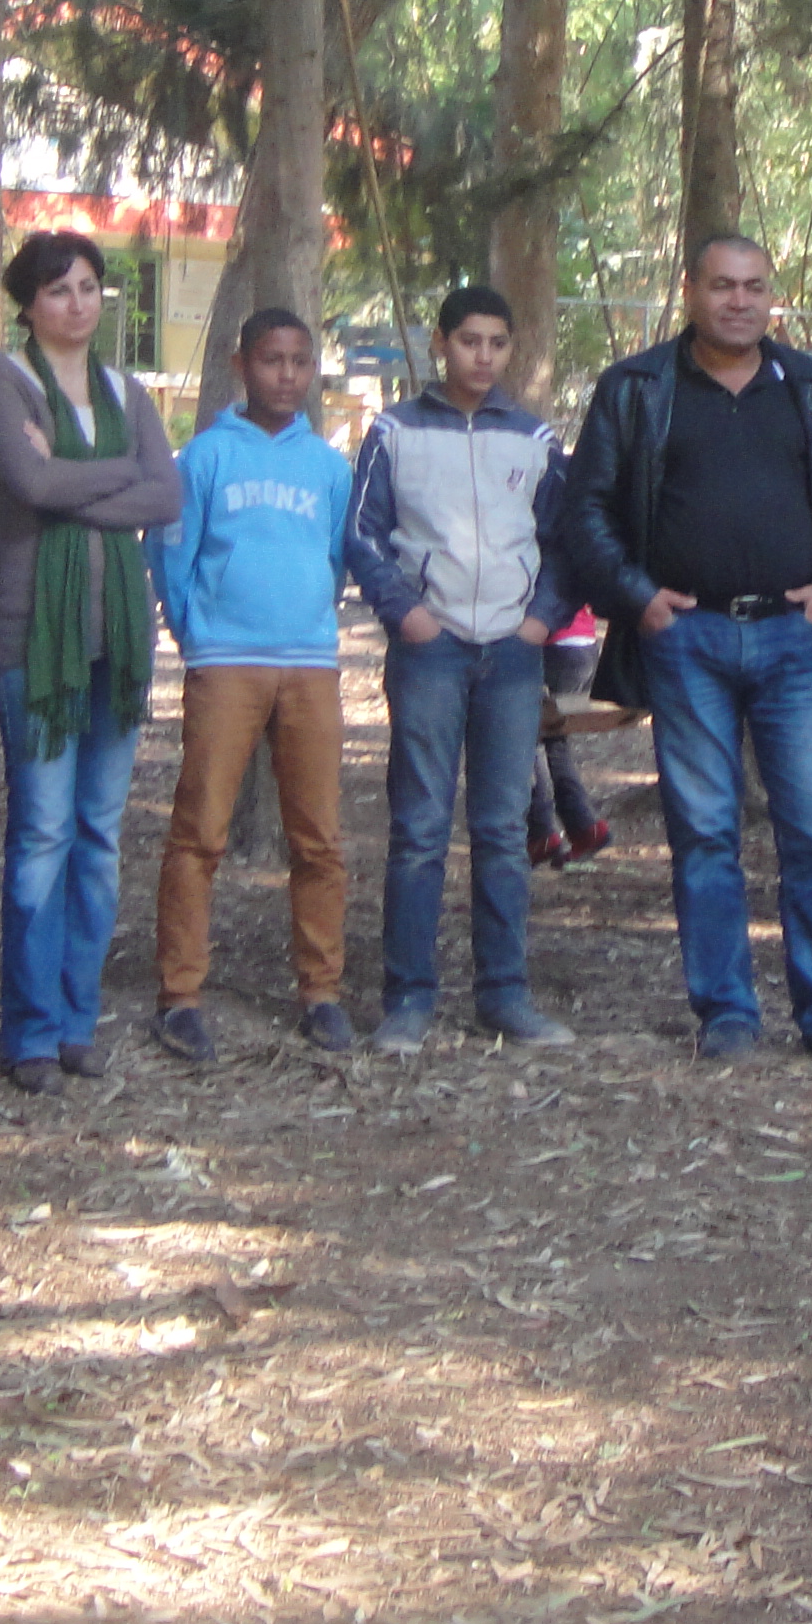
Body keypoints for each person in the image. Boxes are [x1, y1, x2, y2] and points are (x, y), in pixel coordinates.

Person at [556, 234, 812, 1064]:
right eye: (722, 286)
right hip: (686, 641)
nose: (739, 301)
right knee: (703, 832)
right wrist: (638, 600)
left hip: (795, 639)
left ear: (772, 296)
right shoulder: (635, 389)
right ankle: (728, 1015)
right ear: (690, 291)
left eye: (754, 287)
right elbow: (585, 511)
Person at [0, 230, 186, 1089]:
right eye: (59, 290)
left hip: (119, 641)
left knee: (98, 836)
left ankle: (75, 1020)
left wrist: (73, 472)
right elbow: (30, 487)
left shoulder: (123, 388)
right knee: (42, 834)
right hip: (39, 638)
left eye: (91, 287)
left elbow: (167, 492)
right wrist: (111, 475)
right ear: (28, 302)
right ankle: (27, 1031)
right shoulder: (3, 380)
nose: (78, 303)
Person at [344, 283, 575, 1055]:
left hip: (511, 651)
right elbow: (362, 534)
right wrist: (402, 611)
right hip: (430, 649)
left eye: (497, 343)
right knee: (417, 829)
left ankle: (504, 995)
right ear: (442, 343)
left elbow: (566, 541)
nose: (483, 356)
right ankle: (408, 999)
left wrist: (539, 618)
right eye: (469, 340)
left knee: (504, 829)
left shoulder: (535, 438)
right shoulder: (396, 431)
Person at [150, 310, 358, 1066]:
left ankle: (322, 992)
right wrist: (194, 633)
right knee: (199, 830)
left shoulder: (332, 468)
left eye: (301, 362)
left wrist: (311, 617)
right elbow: (173, 552)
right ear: (242, 364)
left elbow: (339, 558)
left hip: (308, 663)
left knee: (320, 837)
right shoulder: (204, 458)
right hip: (226, 661)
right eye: (273, 360)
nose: (288, 376)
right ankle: (180, 995)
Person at [524, 604, 610, 867]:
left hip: (553, 642)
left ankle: (541, 831)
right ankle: (583, 827)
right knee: (553, 740)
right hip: (583, 642)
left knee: (526, 737)